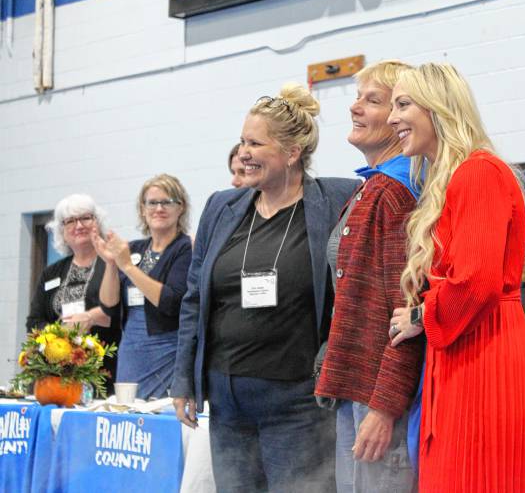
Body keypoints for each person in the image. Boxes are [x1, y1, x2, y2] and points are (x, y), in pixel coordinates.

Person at [171, 83, 359, 493]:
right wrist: (184, 378)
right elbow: (194, 297)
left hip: (297, 404)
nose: (243, 153)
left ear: (292, 153)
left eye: (255, 143)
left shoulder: (337, 200)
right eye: (242, 142)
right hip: (227, 401)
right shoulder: (222, 206)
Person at [387, 63, 525, 492]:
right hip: (465, 355)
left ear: (439, 107)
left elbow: (475, 282)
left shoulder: (477, 173)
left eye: (404, 104)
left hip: (484, 360)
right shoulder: (456, 177)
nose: (391, 117)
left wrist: (419, 317)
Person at [314, 60, 423, 493]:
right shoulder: (372, 186)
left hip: (378, 401)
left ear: (400, 120)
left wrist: (385, 407)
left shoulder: (394, 192)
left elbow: (407, 313)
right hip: (359, 392)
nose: (355, 108)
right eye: (358, 98)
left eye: (372, 101)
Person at [94, 174, 192, 400]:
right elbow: (109, 305)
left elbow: (171, 301)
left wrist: (127, 266)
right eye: (152, 202)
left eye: (167, 202)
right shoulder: (135, 248)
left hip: (165, 348)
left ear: (181, 208)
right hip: (131, 347)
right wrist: (111, 264)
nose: (159, 208)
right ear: (142, 209)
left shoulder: (184, 248)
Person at [26, 194, 120, 393]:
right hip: (56, 372)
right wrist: (60, 333)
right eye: (70, 221)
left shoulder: (113, 264)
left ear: (98, 223)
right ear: (62, 232)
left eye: (86, 218)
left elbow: (120, 311)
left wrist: (90, 318)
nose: (79, 226)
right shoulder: (51, 272)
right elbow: (34, 322)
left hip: (103, 372)